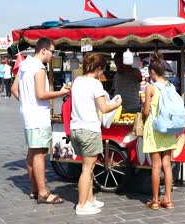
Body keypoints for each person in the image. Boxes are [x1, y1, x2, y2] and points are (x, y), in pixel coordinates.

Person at [11, 38, 70, 204]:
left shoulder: (24, 65)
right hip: (38, 116)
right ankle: (43, 193)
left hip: (29, 115)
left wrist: (26, 103)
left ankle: (34, 189)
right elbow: (41, 94)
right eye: (52, 51)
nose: (53, 55)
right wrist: (61, 92)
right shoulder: (39, 68)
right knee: (40, 153)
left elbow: (14, 89)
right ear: (43, 50)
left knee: (32, 153)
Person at [70, 53, 122, 215]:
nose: (103, 74)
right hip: (89, 129)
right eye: (102, 70)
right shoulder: (95, 84)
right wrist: (116, 103)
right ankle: (81, 205)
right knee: (87, 168)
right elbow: (104, 108)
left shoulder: (77, 81)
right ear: (98, 69)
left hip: (76, 128)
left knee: (89, 167)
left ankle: (90, 200)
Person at [142, 52, 177, 211]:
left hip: (154, 128)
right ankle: (168, 200)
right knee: (167, 165)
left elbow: (146, 111)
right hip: (168, 128)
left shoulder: (151, 87)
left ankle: (155, 201)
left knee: (156, 165)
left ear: (152, 72)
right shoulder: (171, 86)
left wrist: (144, 104)